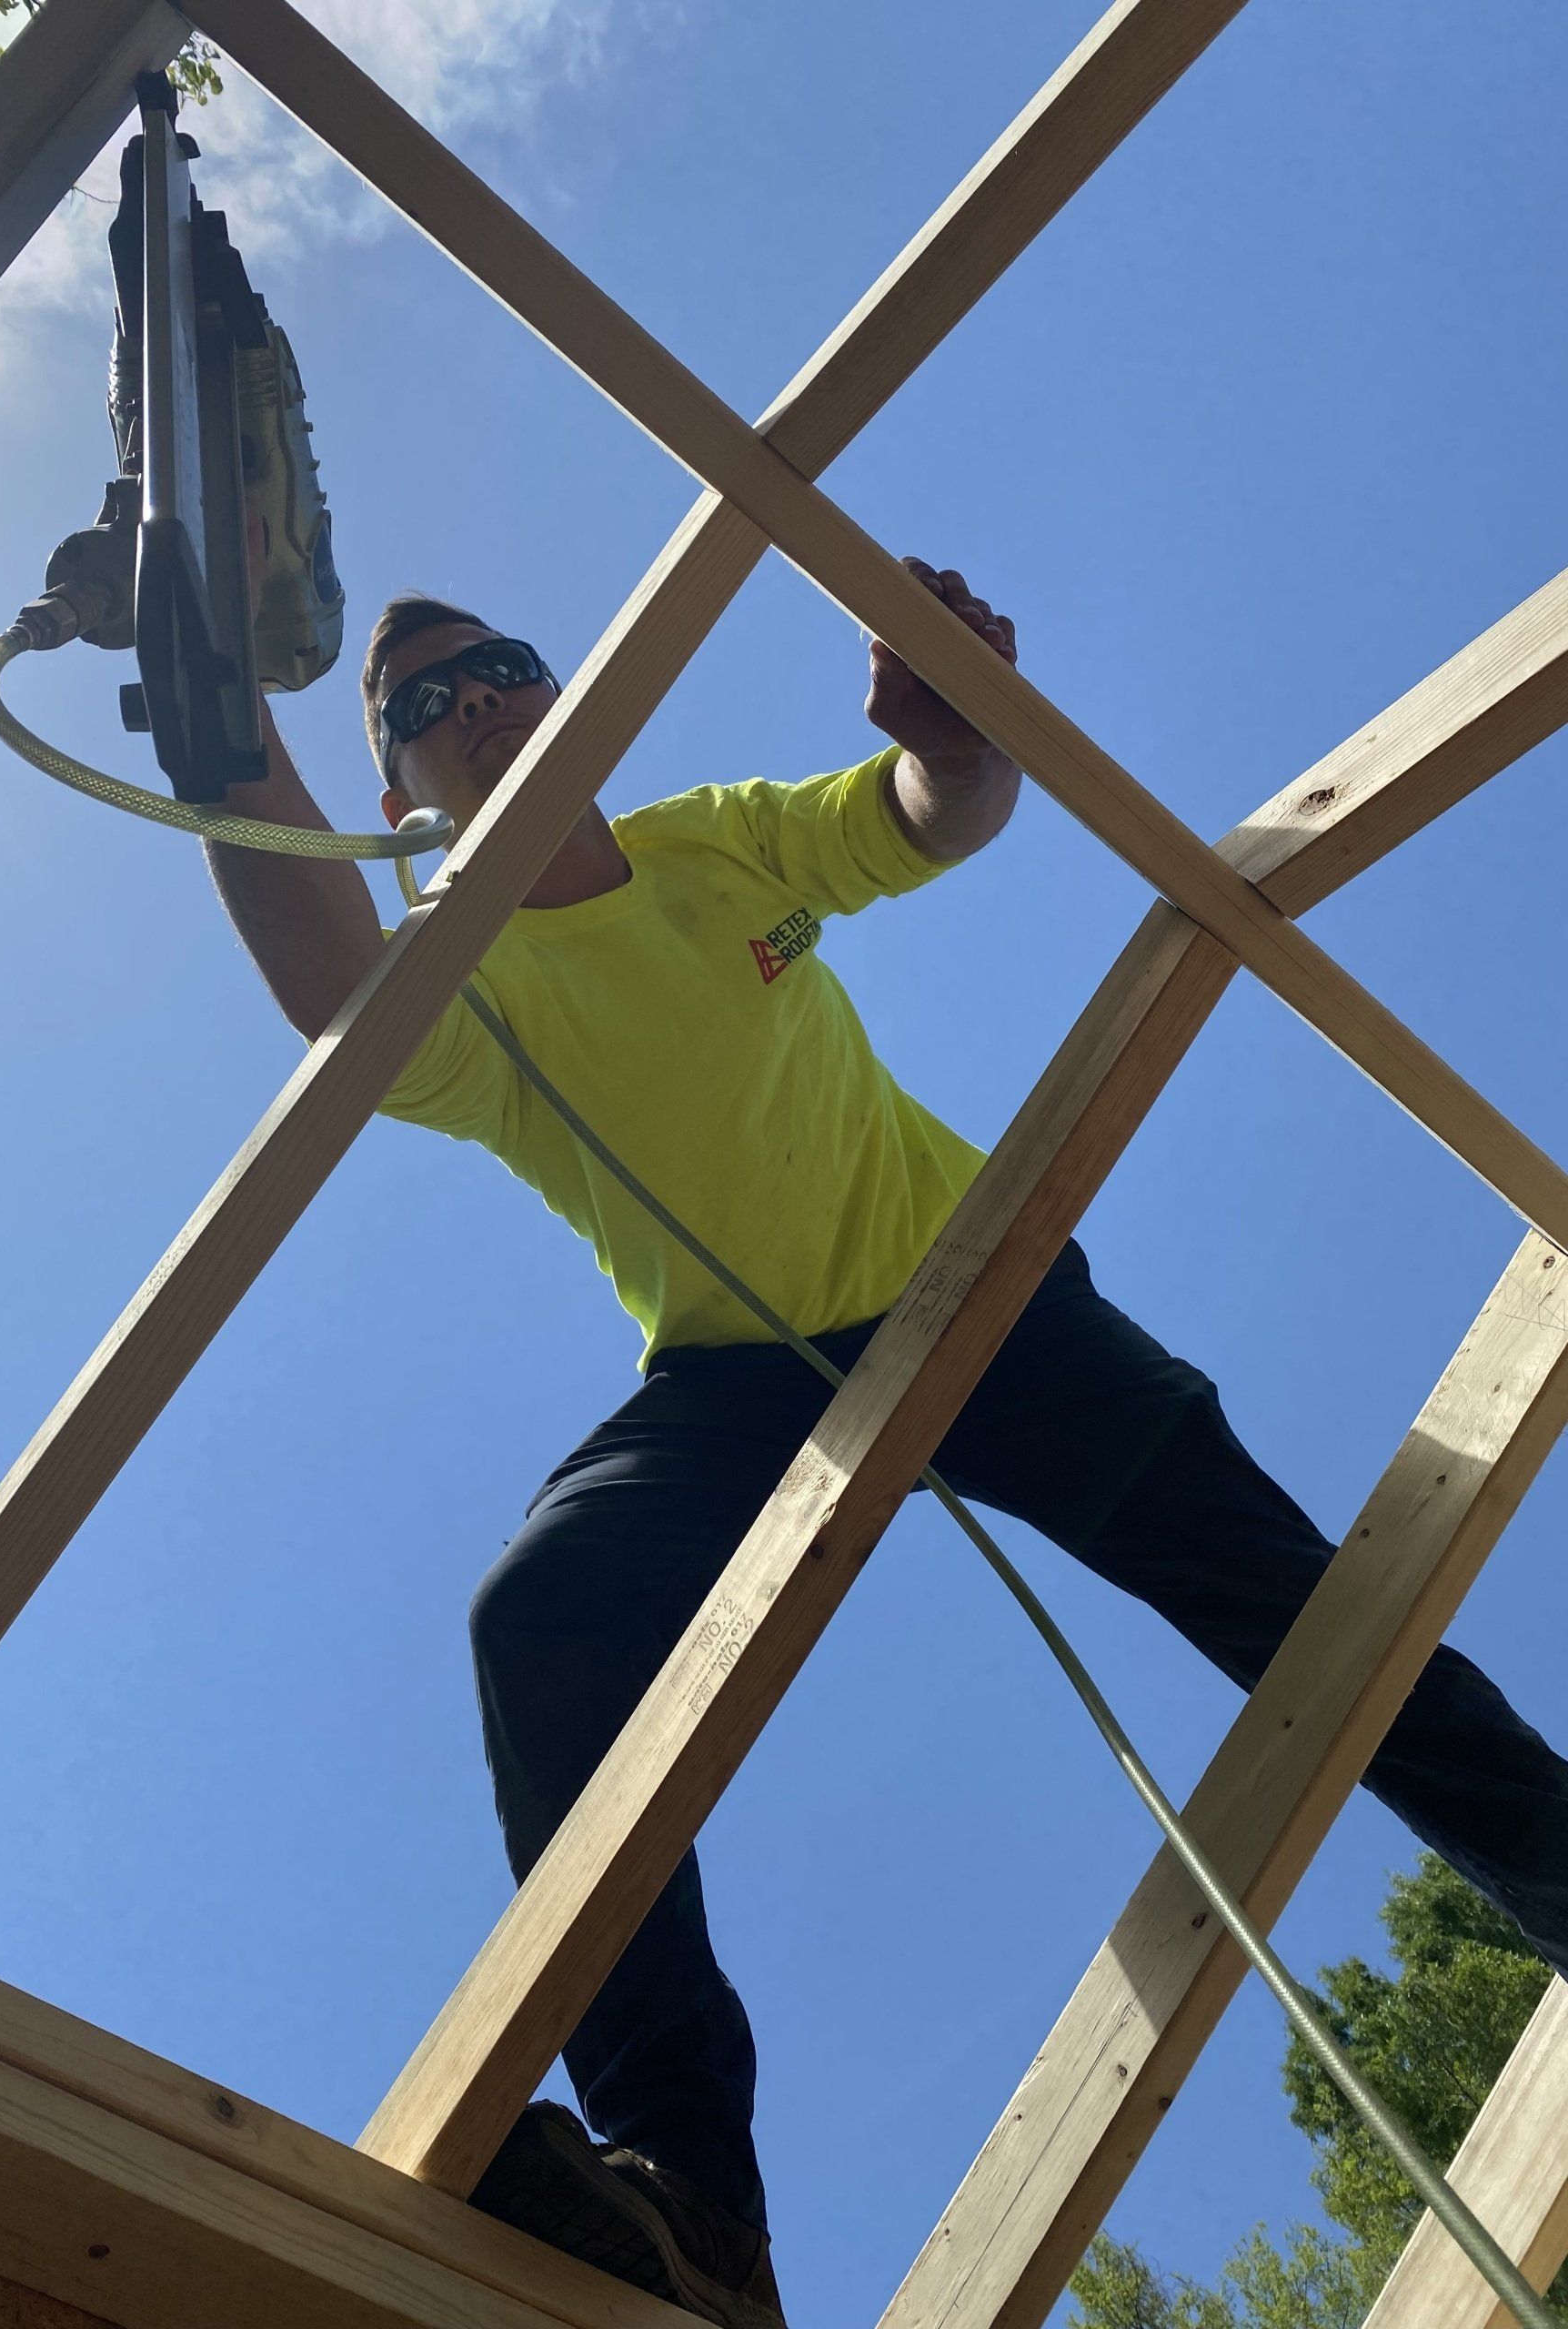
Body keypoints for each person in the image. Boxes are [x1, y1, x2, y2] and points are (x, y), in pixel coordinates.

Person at [206, 560, 1568, 2328]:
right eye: (419, 705)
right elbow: (330, 991)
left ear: (564, 690)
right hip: (733, 1381)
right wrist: (214, 694)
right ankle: (694, 2196)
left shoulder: (717, 844)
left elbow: (934, 813)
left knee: (1306, 1614)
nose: (472, 702)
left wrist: (954, 730)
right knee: (541, 1612)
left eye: (499, 667)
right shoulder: (466, 980)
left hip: (974, 1291)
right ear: (396, 795)